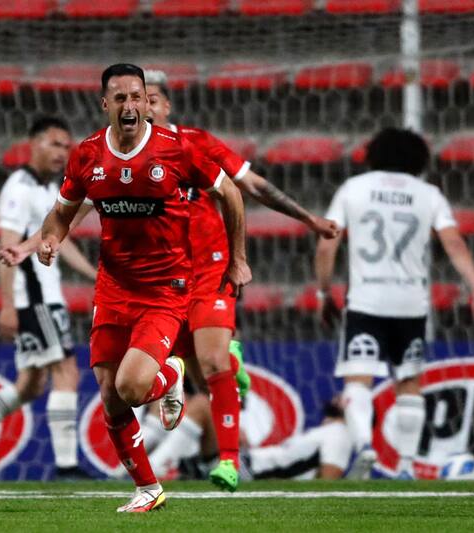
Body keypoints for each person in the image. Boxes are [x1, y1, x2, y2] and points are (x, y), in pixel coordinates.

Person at [2, 63, 250, 512]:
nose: (130, 105)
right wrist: (51, 239)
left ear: (147, 102)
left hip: (165, 287)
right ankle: (148, 488)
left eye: (137, 97)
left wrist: (238, 258)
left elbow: (230, 193)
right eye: (120, 98)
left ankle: (172, 375)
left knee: (133, 388)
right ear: (106, 104)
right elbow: (62, 212)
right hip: (114, 286)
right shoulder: (88, 155)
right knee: (110, 394)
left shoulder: (178, 150)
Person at [143, 69, 339, 491]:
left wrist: (309, 219)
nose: (147, 106)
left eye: (155, 98)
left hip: (212, 266)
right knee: (198, 378)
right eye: (139, 99)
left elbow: (251, 185)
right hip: (164, 278)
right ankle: (234, 363)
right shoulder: (122, 158)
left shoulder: (195, 142)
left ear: (167, 105)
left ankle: (230, 462)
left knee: (211, 366)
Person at [315, 127, 474, 479]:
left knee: (357, 380)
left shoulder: (354, 189)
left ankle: (365, 446)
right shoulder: (428, 194)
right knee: (409, 382)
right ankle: (407, 466)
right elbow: (453, 242)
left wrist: (323, 290)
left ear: (373, 154)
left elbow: (327, 242)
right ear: (419, 159)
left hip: (366, 299)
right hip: (411, 302)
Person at [0, 117, 97, 480]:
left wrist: (93, 274)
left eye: (65, 146)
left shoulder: (48, 188)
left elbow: (59, 238)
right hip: (34, 297)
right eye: (54, 144)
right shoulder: (19, 188)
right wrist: (7, 304)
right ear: (33, 144)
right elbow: (8, 247)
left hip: (44, 295)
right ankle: (67, 465)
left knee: (31, 384)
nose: (61, 152)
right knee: (66, 371)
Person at [245, 396, 352, 480]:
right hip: (249, 460)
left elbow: (329, 476)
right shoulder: (327, 431)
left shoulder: (338, 434)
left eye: (348, 400)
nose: (339, 397)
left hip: (253, 469)